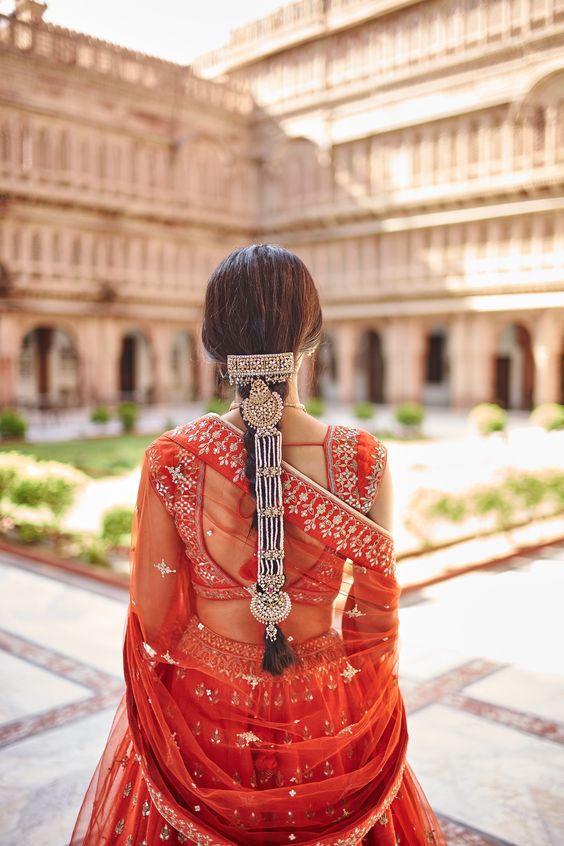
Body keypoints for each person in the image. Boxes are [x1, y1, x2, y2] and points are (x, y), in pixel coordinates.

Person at [71, 244, 446, 845]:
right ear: (312, 339)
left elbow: (158, 621)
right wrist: (355, 715)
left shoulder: (173, 459)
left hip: (201, 710)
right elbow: (374, 624)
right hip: (326, 707)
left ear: (213, 346)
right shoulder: (363, 458)